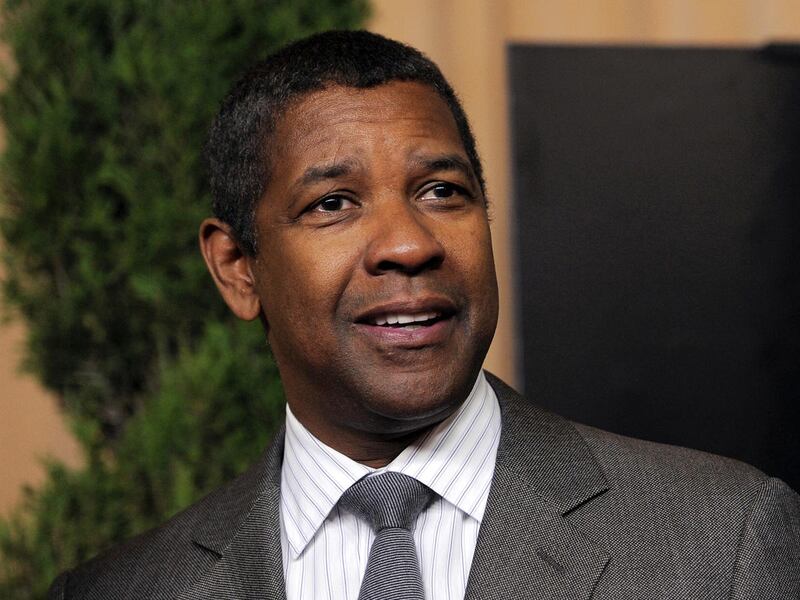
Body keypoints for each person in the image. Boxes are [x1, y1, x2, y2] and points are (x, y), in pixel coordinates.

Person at [49, 30, 800, 600]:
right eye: (333, 204)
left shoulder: (723, 542)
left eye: (442, 191)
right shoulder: (122, 588)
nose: (409, 244)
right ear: (237, 269)